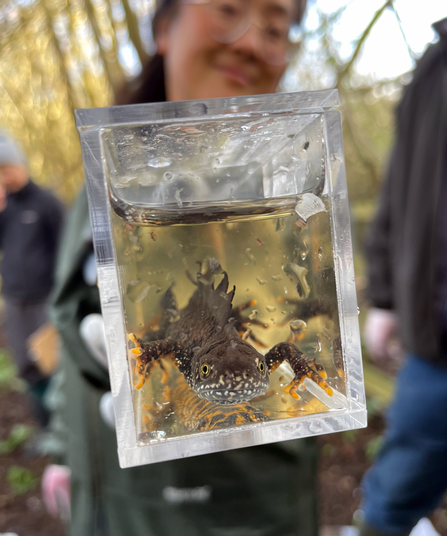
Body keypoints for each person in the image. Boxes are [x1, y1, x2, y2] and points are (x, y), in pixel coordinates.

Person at [49, 0, 322, 535]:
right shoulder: (103, 180)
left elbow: (307, 335)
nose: (249, 40)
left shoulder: (306, 191)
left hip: (262, 499)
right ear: (163, 28)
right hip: (120, 500)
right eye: (227, 8)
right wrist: (63, 437)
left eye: (276, 25)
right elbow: (67, 330)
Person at [359, 17, 447, 536]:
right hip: (435, 347)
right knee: (389, 503)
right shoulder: (434, 67)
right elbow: (399, 185)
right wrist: (388, 297)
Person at [0, 130, 65, 426]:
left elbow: (66, 253)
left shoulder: (47, 203)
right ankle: (43, 430)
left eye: (5, 168)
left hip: (45, 300)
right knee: (26, 367)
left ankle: (62, 432)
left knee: (51, 364)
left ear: (19, 164)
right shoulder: (6, 207)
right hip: (14, 302)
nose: (3, 176)